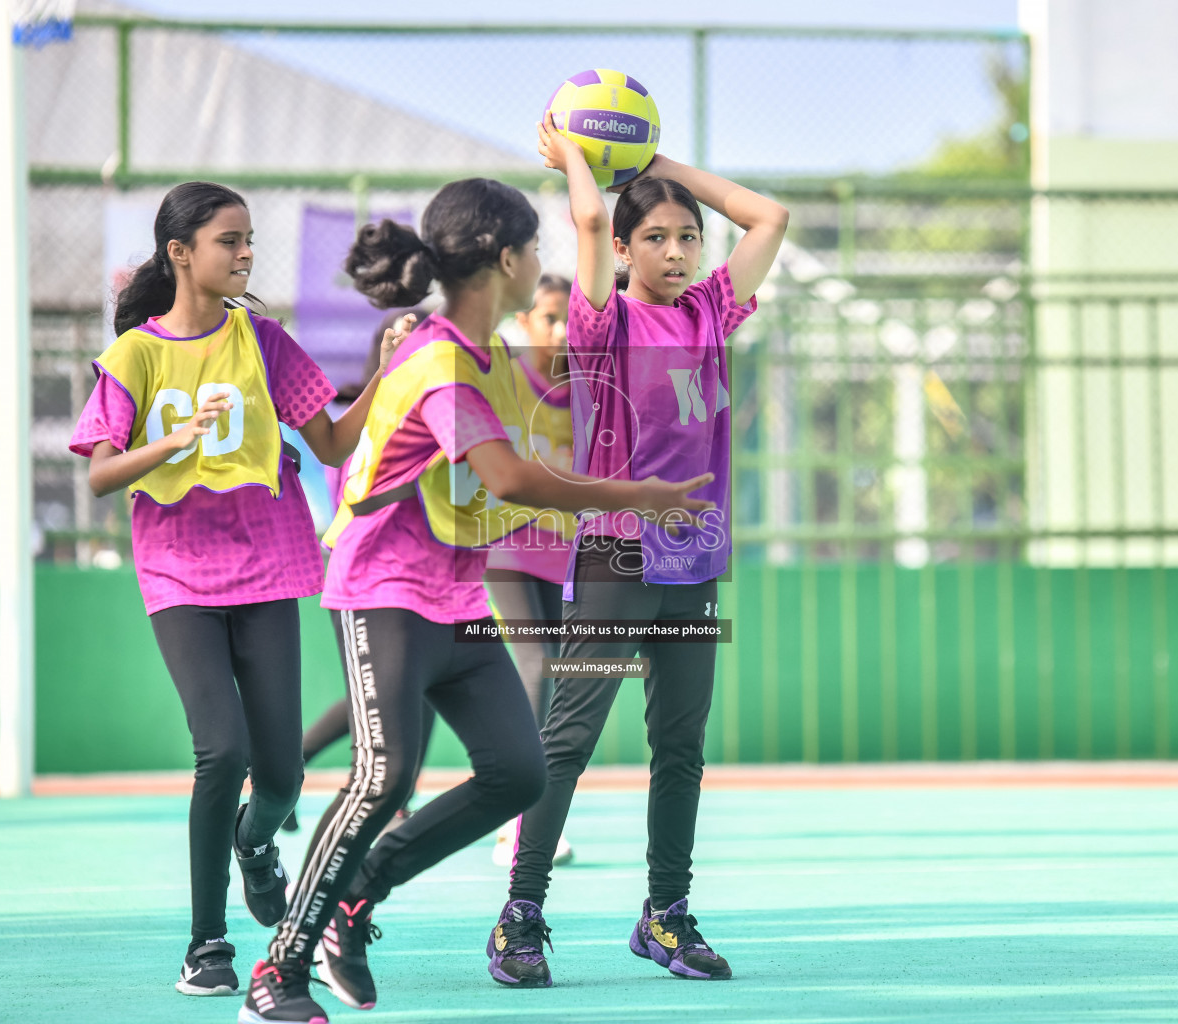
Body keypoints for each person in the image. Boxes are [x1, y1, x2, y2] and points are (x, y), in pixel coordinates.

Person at [237, 176, 716, 1024]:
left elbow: (388, 445)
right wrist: (637, 497)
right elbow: (508, 477)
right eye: (536, 250)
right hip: (386, 590)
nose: (545, 266)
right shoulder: (442, 359)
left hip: (455, 593)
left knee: (517, 772)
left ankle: (357, 897)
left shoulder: (480, 355)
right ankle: (280, 970)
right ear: (505, 259)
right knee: (383, 776)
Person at [68, 180, 401, 998]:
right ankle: (205, 943)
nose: (246, 253)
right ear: (180, 253)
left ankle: (257, 845)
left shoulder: (265, 341)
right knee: (221, 751)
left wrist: (386, 375)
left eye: (249, 238)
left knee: (281, 774)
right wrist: (171, 441)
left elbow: (329, 444)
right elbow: (103, 473)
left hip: (268, 563)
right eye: (229, 240)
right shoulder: (135, 356)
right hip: (178, 569)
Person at [483, 120, 788, 988]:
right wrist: (582, 158)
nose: (679, 250)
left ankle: (666, 914)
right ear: (624, 249)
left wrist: (656, 165)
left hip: (694, 563)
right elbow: (583, 225)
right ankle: (521, 915)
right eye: (656, 236)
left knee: (681, 746)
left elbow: (768, 217)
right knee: (567, 739)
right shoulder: (602, 323)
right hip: (618, 559)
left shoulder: (711, 311)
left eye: (689, 236)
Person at [283, 307, 434, 837]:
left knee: (413, 689)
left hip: (422, 574)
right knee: (380, 695)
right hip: (367, 571)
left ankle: (388, 795)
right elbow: (364, 496)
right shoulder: (372, 418)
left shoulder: (438, 408)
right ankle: (304, 774)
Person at [484, 274, 576, 868]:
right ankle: (512, 825)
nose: (563, 330)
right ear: (523, 322)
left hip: (568, 552)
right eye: (549, 317)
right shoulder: (504, 380)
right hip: (507, 546)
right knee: (536, 667)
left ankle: (530, 813)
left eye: (570, 317)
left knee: (562, 681)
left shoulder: (594, 387)